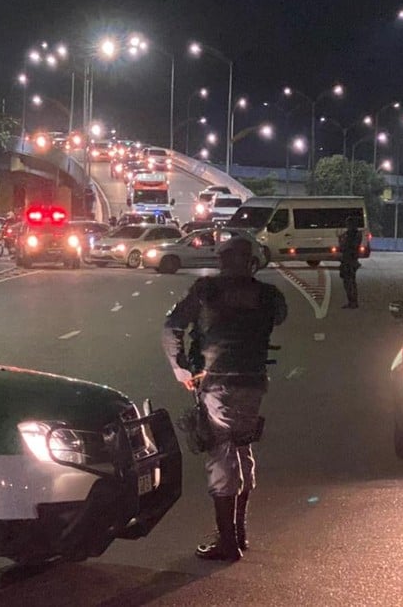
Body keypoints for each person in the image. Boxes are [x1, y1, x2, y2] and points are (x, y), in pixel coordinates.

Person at [162, 236, 288, 563]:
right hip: (253, 382)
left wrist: (180, 369)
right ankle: (238, 533)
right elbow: (279, 316)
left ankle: (229, 543)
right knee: (241, 449)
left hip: (216, 383)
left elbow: (172, 327)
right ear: (252, 262)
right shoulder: (268, 295)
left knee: (221, 455)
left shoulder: (206, 291)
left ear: (222, 260)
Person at [338, 215, 362, 309]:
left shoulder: (355, 234)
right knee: (346, 281)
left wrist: (343, 241)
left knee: (351, 281)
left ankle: (353, 301)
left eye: (348, 224)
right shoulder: (348, 234)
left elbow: (352, 246)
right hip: (346, 259)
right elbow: (342, 247)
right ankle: (350, 301)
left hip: (351, 259)